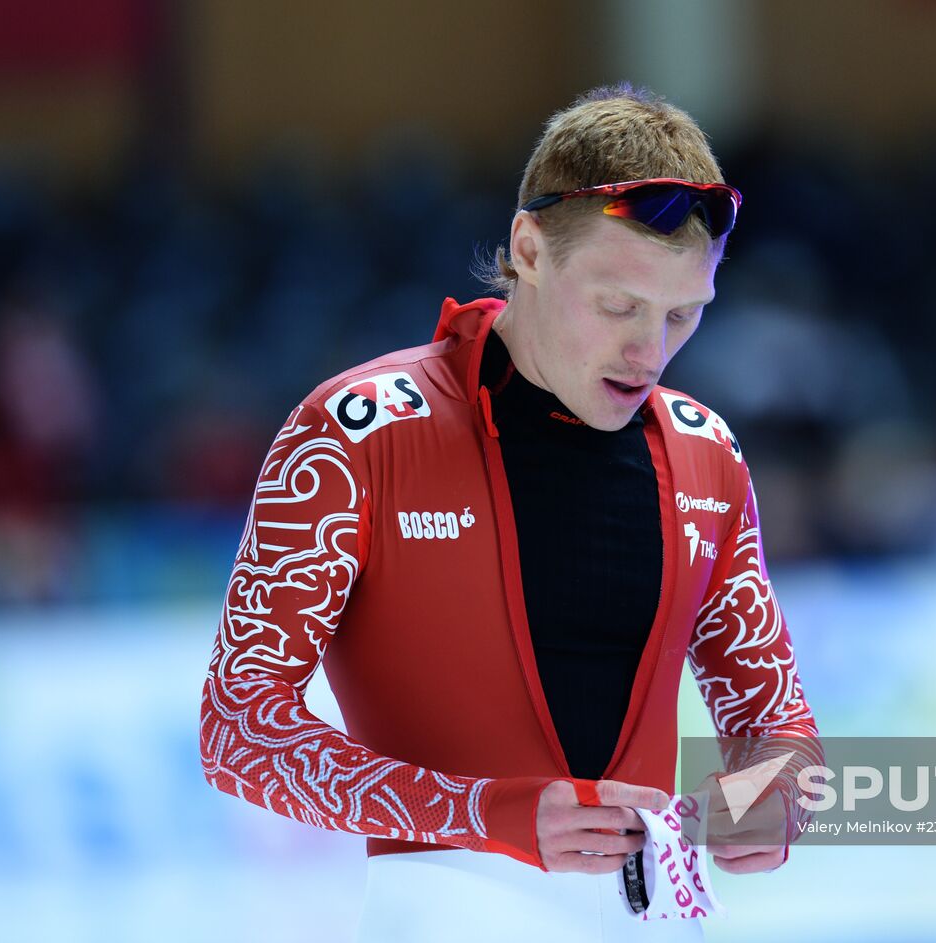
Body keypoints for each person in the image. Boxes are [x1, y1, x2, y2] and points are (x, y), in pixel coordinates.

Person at [198, 84, 821, 942]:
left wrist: (772, 797)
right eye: (618, 306)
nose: (651, 351)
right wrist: (485, 809)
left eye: (684, 314)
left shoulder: (706, 451)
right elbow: (238, 727)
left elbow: (779, 722)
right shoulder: (356, 436)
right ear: (529, 247)